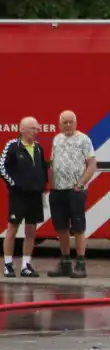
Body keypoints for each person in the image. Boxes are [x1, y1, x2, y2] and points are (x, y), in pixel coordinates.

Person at [47, 110, 96, 278]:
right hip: (58, 191)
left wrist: (81, 184)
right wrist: (51, 186)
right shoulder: (56, 140)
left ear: (76, 123)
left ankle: (81, 263)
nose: (68, 125)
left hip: (76, 191)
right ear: (60, 124)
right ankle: (65, 262)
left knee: (78, 227)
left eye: (70, 122)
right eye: (64, 122)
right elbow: (53, 164)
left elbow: (92, 164)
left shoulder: (84, 140)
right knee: (61, 228)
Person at [0, 117, 49, 277]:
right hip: (18, 196)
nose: (35, 132)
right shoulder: (13, 146)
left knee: (31, 231)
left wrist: (43, 186)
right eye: (31, 128)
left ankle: (26, 265)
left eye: (36, 129)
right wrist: (14, 184)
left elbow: (43, 168)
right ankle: (8, 265)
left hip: (35, 196)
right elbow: (2, 168)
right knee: (12, 229)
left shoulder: (39, 148)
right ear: (21, 129)